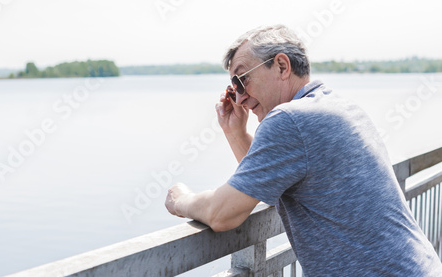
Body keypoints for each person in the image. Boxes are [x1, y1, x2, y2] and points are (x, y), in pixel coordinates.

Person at [165, 25, 442, 276]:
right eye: (232, 87)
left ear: (282, 66)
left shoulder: (289, 119)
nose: (239, 97)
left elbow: (222, 214)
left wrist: (181, 200)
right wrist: (235, 133)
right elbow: (270, 185)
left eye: (241, 80)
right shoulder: (337, 106)